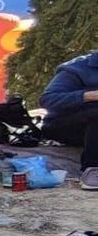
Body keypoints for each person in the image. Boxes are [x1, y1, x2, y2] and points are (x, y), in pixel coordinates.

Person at [38, 47, 98, 191]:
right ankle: (92, 170)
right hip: (64, 124)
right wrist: (91, 95)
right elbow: (48, 99)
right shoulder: (78, 68)